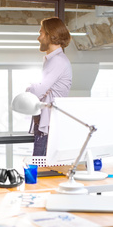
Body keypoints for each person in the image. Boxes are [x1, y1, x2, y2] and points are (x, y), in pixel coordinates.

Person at [26, 17, 73, 156]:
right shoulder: (52, 60)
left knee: (41, 169)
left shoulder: (57, 61)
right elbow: (41, 91)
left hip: (49, 123)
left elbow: (36, 92)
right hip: (46, 121)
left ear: (51, 35)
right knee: (40, 167)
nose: (38, 38)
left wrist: (30, 88)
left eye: (41, 33)